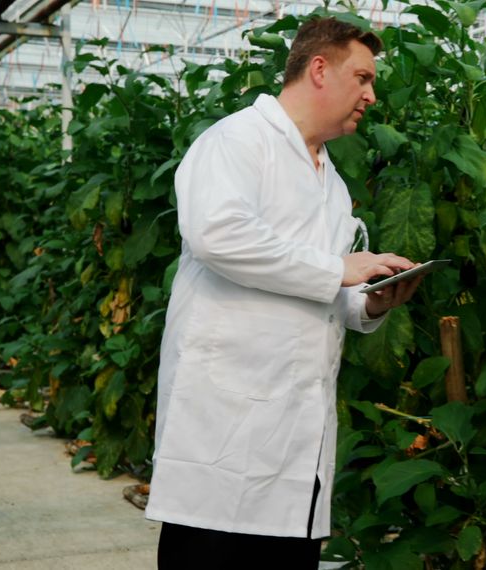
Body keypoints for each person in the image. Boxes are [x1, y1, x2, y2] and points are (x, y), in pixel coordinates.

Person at [145, 17, 421, 568]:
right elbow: (216, 235)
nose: (371, 95)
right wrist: (338, 269)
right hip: (224, 419)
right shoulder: (238, 140)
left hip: (298, 430)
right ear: (319, 68)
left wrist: (368, 300)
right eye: (363, 78)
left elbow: (325, 288)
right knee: (209, 552)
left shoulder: (332, 183)